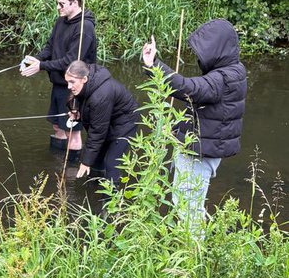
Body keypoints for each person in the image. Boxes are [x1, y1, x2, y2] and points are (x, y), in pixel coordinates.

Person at [142, 19, 247, 229]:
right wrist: (176, 131)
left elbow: (190, 88)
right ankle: (198, 249)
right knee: (190, 205)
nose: (200, 56)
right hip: (208, 147)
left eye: (203, 50)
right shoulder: (236, 70)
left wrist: (154, 65)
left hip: (200, 153)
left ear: (217, 48)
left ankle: (193, 257)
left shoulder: (222, 78)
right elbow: (209, 112)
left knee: (187, 208)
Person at [20, 0, 97, 153]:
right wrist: (36, 60)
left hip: (74, 88)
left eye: (61, 4)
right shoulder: (61, 21)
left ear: (75, 3)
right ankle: (56, 163)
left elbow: (71, 62)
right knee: (57, 126)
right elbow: (50, 46)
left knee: (73, 133)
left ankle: (69, 174)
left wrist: (41, 66)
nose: (58, 7)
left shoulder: (85, 28)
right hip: (58, 84)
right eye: (57, 3)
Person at [64, 61, 139, 184]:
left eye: (72, 82)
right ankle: (94, 188)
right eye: (67, 82)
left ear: (84, 79)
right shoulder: (89, 86)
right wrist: (79, 115)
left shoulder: (101, 95)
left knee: (112, 162)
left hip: (125, 122)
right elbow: (92, 111)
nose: (68, 86)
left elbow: (97, 132)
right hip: (108, 119)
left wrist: (85, 161)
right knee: (96, 159)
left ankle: (111, 198)